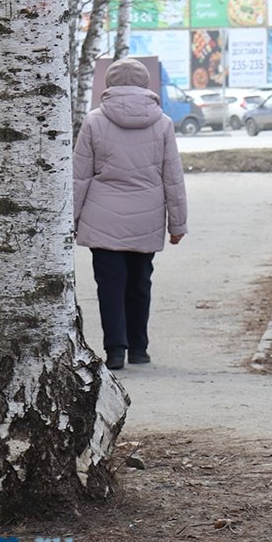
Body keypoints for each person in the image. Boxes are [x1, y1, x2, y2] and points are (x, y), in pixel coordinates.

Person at [74, 58, 188, 370]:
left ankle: (115, 350)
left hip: (102, 217)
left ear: (109, 83)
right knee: (140, 282)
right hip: (146, 216)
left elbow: (79, 176)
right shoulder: (163, 123)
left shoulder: (94, 121)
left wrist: (70, 219)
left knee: (109, 284)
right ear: (145, 83)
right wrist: (177, 224)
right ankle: (139, 347)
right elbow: (173, 177)